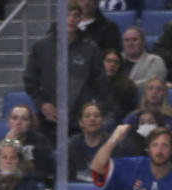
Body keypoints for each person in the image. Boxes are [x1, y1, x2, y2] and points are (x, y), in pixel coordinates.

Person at [24, 0, 111, 140]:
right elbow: (30, 82)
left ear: (80, 18)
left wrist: (92, 112)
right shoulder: (41, 47)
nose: (70, 19)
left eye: (75, 15)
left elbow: (101, 85)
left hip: (80, 122)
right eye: (67, 15)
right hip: (50, 120)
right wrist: (43, 104)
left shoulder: (90, 48)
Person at [90, 123, 172, 190]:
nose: (159, 150)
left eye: (165, 145)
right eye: (155, 145)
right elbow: (97, 167)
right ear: (148, 149)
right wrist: (113, 138)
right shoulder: (131, 166)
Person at [1, 103, 55, 187]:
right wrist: (8, 144)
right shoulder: (1, 143)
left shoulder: (41, 142)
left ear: (30, 123)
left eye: (24, 119)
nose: (19, 122)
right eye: (14, 118)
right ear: (8, 122)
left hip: (33, 187)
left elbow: (42, 172)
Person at [68, 101, 108, 182]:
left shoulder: (112, 145)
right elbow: (67, 180)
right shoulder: (71, 145)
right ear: (81, 122)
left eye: (96, 116)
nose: (92, 119)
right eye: (87, 116)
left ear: (103, 121)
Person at [103, 48, 141, 124]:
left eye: (116, 62)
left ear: (120, 66)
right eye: (109, 61)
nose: (112, 65)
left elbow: (124, 113)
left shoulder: (127, 86)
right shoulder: (91, 83)